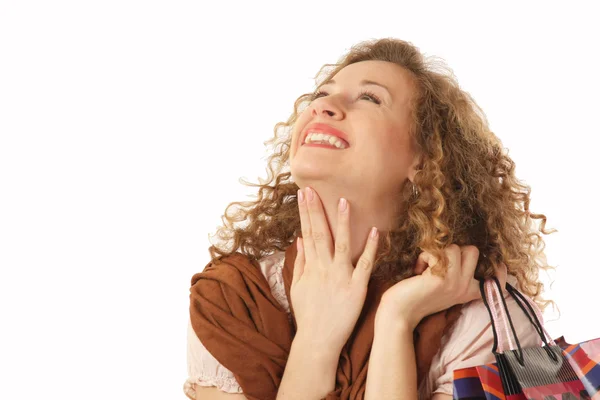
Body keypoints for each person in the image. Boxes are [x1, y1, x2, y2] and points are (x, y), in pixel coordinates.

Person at [184, 38, 556, 400]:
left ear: (423, 159)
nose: (324, 106)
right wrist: (315, 341)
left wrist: (396, 318)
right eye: (320, 95)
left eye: (369, 98)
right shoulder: (231, 298)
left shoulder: (489, 318)